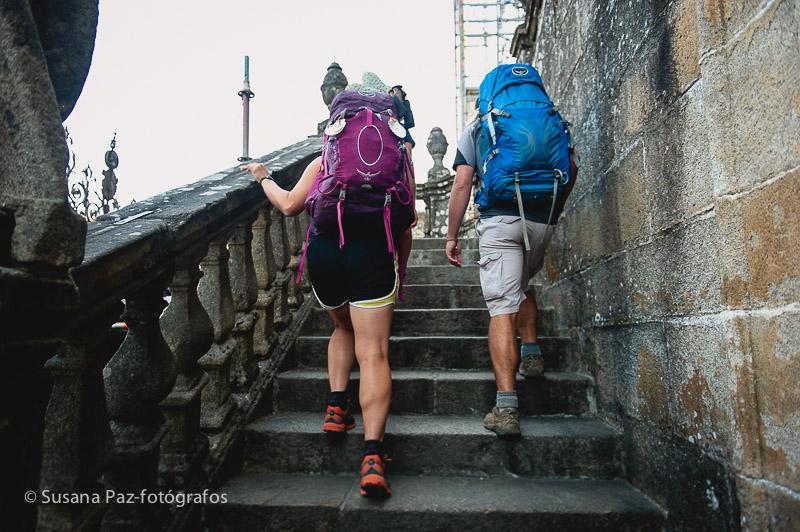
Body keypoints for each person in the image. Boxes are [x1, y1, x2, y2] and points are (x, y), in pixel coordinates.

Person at [241, 153, 400, 498]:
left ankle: (336, 405)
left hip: (326, 254)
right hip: (372, 253)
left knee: (343, 328)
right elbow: (404, 219)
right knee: (372, 352)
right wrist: (401, 271)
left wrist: (263, 176)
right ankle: (372, 459)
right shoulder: (396, 158)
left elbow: (287, 205)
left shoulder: (326, 157)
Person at [445, 73, 579, 438]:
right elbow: (572, 165)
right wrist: (553, 213)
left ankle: (506, 407)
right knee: (522, 285)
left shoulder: (479, 128)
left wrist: (452, 235)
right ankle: (532, 352)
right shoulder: (549, 118)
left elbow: (461, 183)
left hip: (500, 219)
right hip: (541, 217)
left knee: (502, 307)